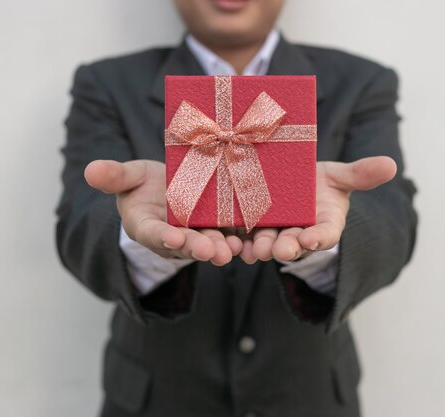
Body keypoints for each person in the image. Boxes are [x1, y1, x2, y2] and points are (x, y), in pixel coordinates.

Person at [56, 0, 418, 416]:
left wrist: (325, 238)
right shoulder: (106, 82)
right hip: (156, 401)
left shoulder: (362, 81)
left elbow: (391, 224)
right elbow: (79, 223)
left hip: (309, 399)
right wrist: (143, 237)